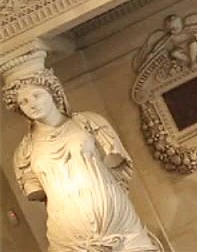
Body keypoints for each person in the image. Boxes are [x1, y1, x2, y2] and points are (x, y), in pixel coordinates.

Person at [4, 68, 161, 252]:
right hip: (68, 237)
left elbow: (116, 162)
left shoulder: (90, 123)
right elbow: (36, 191)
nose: (32, 104)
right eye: (24, 101)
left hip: (118, 223)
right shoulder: (24, 152)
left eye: (37, 95)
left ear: (53, 92)